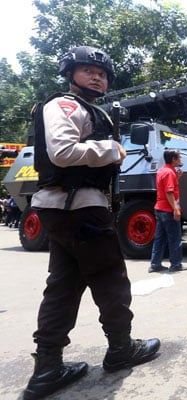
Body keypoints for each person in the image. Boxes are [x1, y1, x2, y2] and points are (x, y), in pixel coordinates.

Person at [24, 46, 160, 400]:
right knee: (110, 280)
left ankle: (47, 369)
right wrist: (112, 150)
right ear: (71, 74)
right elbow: (63, 152)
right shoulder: (66, 105)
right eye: (88, 70)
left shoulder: (87, 108)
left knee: (63, 287)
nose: (97, 76)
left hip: (64, 209)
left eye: (102, 73)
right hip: (80, 207)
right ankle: (121, 348)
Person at [148, 149, 187, 273]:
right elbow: (169, 192)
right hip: (168, 210)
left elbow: (166, 187)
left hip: (159, 208)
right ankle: (176, 264)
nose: (180, 160)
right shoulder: (170, 173)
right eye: (179, 158)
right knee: (175, 238)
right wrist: (175, 209)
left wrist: (177, 177)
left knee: (159, 238)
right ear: (173, 160)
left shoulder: (162, 170)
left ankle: (155, 264)